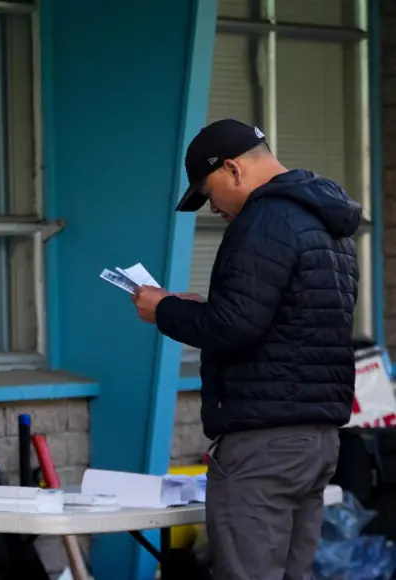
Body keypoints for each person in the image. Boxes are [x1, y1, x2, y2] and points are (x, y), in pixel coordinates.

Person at [132, 119, 359, 580]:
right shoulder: (328, 224)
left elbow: (234, 326)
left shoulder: (264, 220)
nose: (213, 208)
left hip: (264, 443)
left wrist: (166, 310)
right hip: (317, 439)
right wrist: (206, 307)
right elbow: (286, 322)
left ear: (233, 169)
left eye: (209, 192)